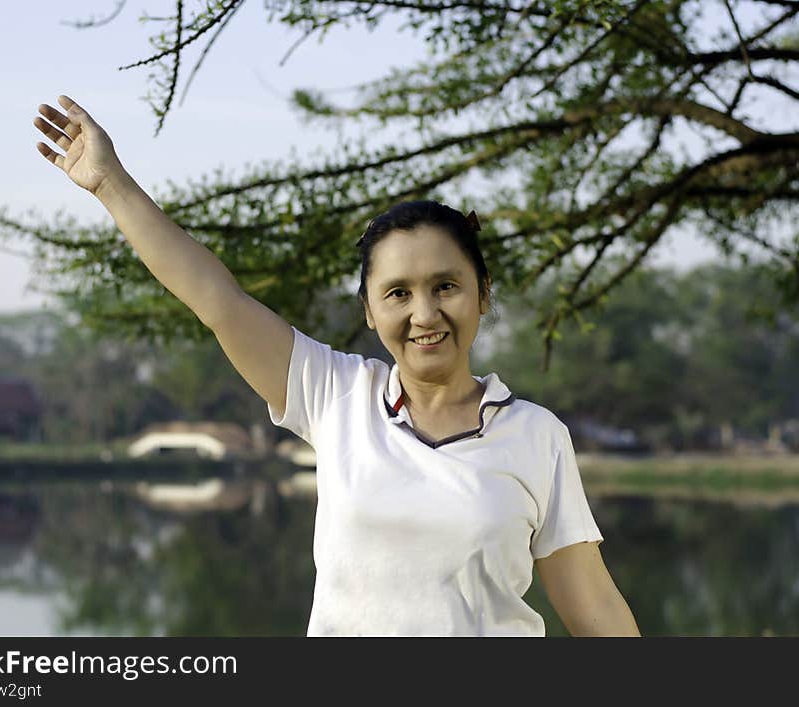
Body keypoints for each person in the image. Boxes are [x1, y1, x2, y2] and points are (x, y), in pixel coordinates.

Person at [33, 95, 641, 637]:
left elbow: (594, 612)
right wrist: (109, 183)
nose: (425, 313)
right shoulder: (337, 395)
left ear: (482, 293)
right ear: (371, 313)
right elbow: (217, 301)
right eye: (398, 293)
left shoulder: (536, 435)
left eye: (446, 287)